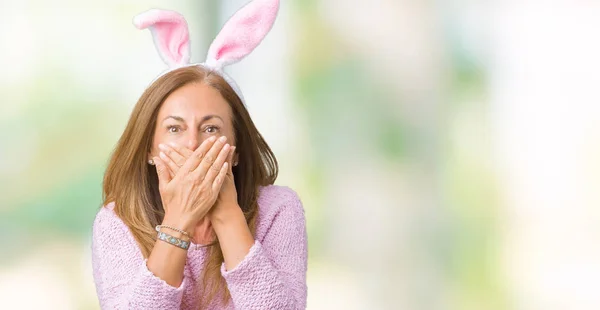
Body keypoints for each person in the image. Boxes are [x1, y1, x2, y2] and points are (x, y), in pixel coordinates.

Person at [90, 1, 307, 309]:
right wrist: (178, 221)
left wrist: (225, 213)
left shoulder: (279, 210)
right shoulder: (118, 221)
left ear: (236, 151)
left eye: (210, 129)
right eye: (174, 129)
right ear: (149, 150)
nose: (192, 144)